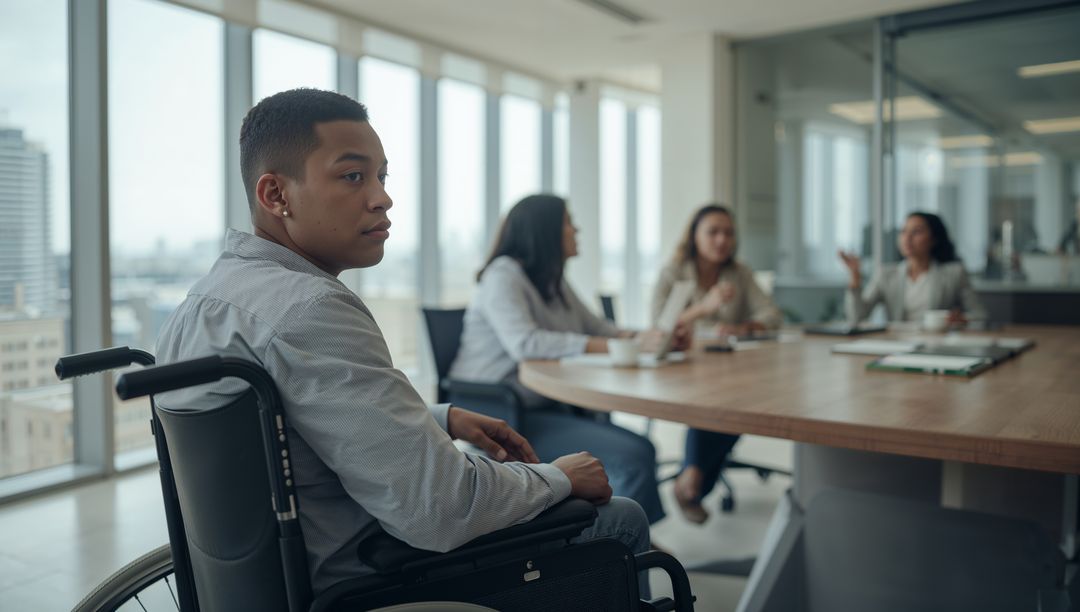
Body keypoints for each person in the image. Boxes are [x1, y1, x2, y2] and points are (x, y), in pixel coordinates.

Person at [152, 89, 649, 595]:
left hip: (262, 584)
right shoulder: (309, 308)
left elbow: (298, 425)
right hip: (369, 582)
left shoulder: (203, 302)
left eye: (381, 176)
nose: (382, 197)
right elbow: (439, 511)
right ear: (276, 195)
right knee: (620, 519)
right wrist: (558, 478)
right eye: (352, 176)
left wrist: (440, 418)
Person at [449, 194, 676, 526]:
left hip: (550, 405)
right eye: (569, 222)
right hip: (503, 414)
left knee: (638, 450)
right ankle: (622, 548)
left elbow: (598, 328)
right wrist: (609, 347)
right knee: (636, 454)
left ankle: (625, 540)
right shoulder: (503, 275)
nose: (577, 229)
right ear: (545, 231)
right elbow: (526, 343)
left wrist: (645, 339)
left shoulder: (553, 281)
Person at [651, 204, 782, 524]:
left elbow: (772, 315)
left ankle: (692, 478)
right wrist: (703, 307)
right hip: (681, 370)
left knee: (740, 400)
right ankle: (696, 479)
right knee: (716, 400)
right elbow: (657, 328)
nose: (722, 240)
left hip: (729, 369)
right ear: (694, 235)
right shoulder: (673, 272)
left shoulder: (739, 273)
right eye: (713, 232)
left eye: (728, 233)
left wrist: (743, 328)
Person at [839, 211, 986, 325]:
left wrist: (963, 319)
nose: (907, 238)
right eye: (903, 231)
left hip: (938, 345)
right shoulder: (886, 274)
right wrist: (854, 276)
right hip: (896, 345)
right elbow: (856, 317)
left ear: (934, 239)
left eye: (917, 232)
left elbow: (980, 316)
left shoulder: (954, 273)